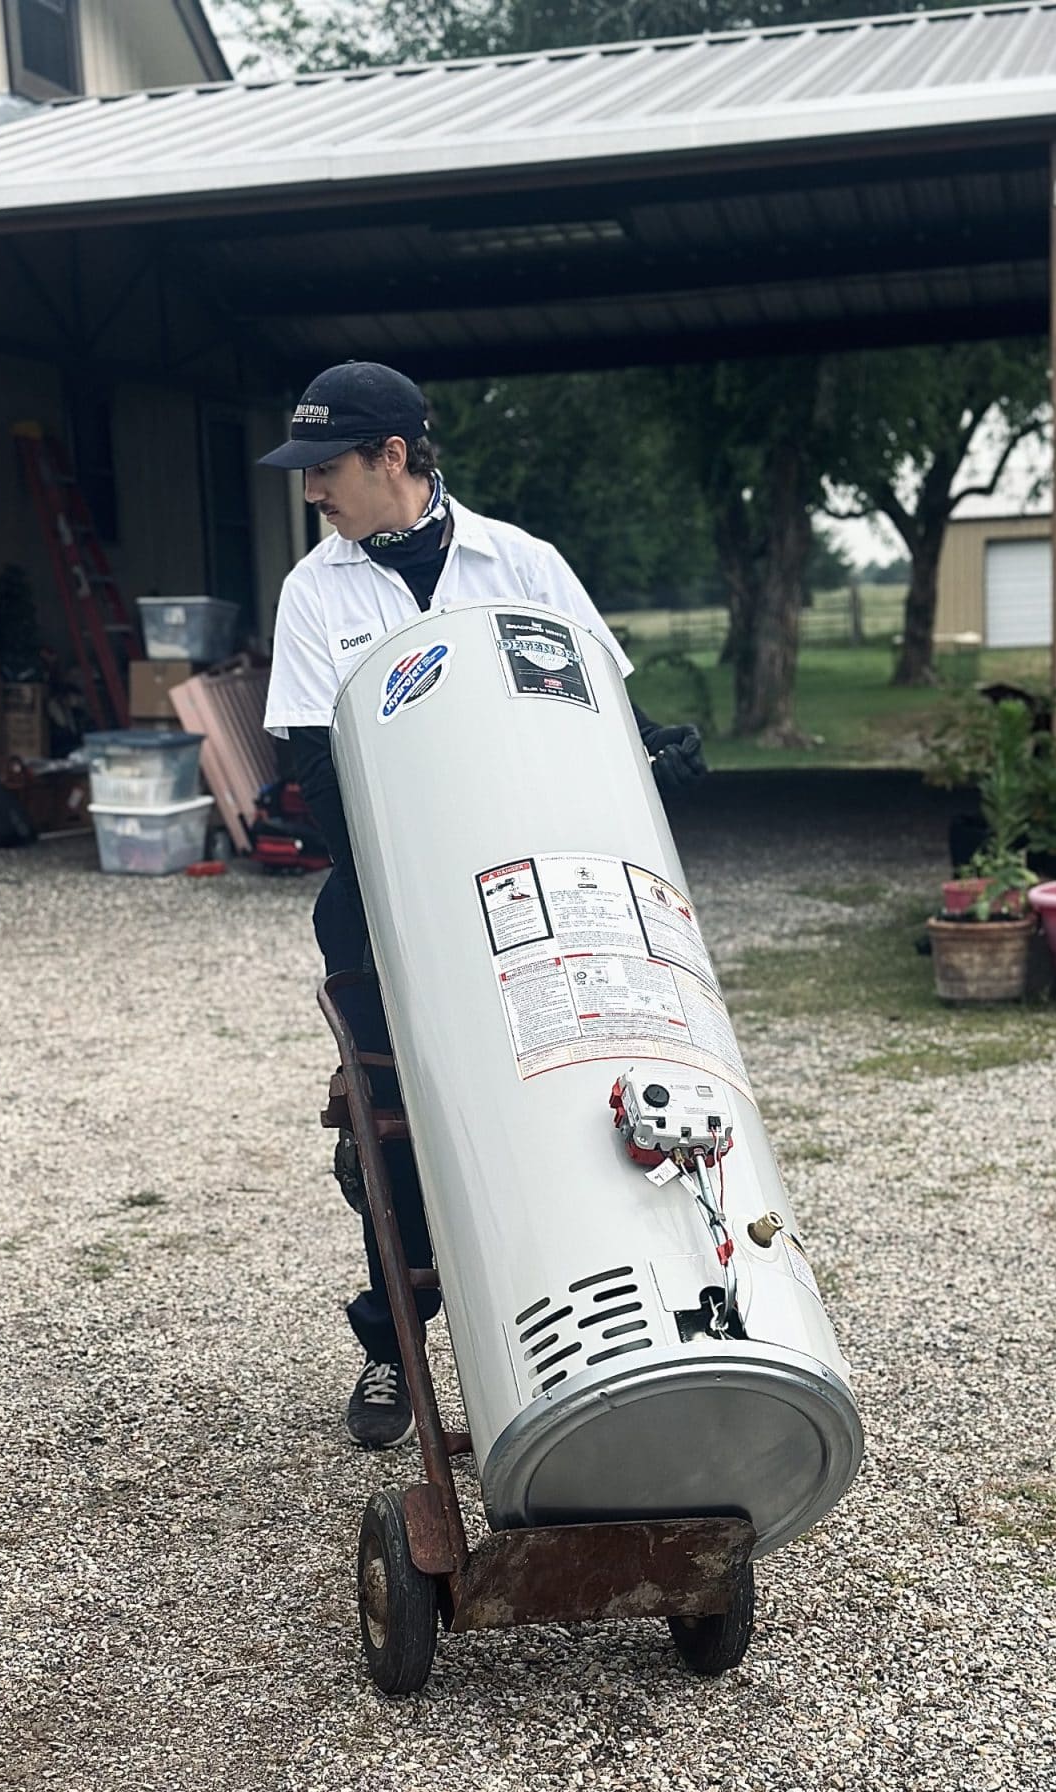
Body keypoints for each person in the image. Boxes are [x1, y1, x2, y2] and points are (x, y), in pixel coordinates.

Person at [259, 360, 706, 1448]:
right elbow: (318, 771)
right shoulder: (316, 590)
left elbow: (602, 706)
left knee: (584, 1074)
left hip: (538, 868)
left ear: (394, 458)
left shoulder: (524, 564)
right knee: (397, 1126)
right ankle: (391, 1341)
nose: (312, 490)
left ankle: (646, 1305)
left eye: (327, 469)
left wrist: (654, 753)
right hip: (390, 885)